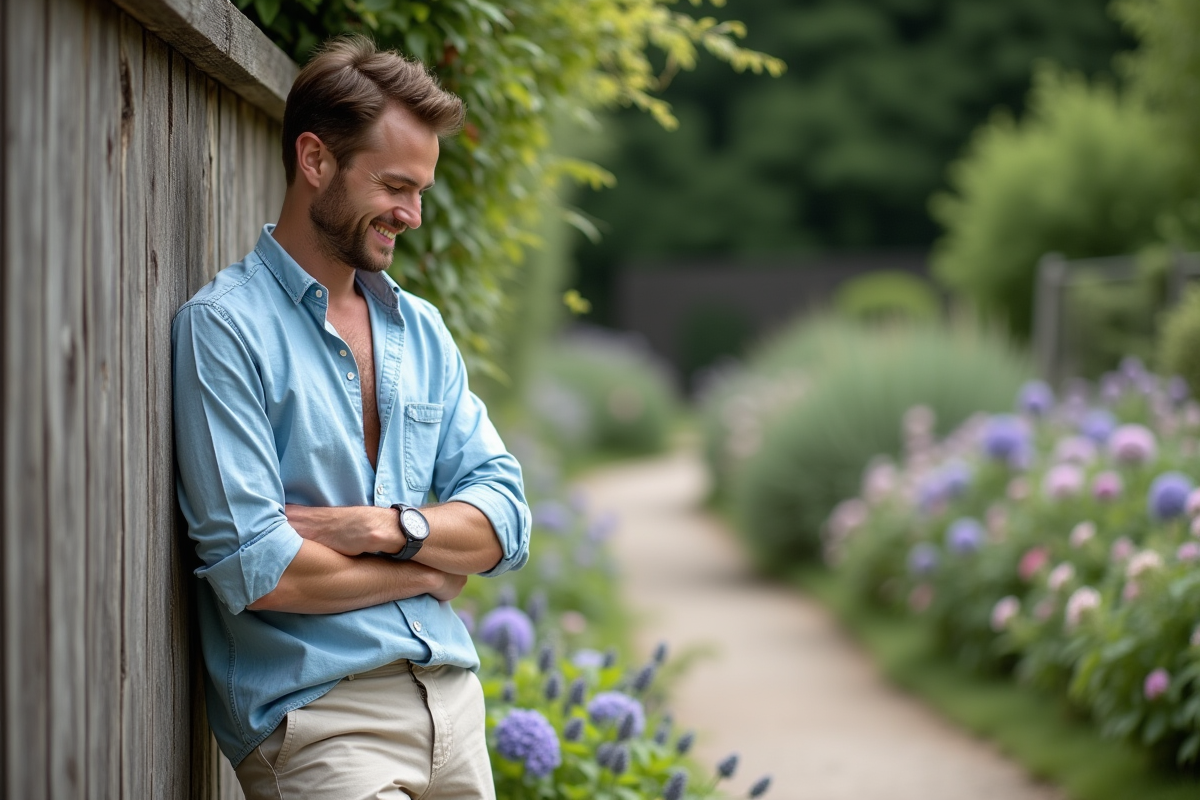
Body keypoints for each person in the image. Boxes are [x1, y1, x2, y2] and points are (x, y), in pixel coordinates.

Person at [172, 35, 531, 800]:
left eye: (422, 191)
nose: (414, 214)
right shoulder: (226, 329)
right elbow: (258, 568)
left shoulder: (422, 330)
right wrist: (430, 569)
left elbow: (505, 516)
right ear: (315, 160)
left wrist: (388, 530)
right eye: (397, 185)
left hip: (452, 706)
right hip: (322, 722)